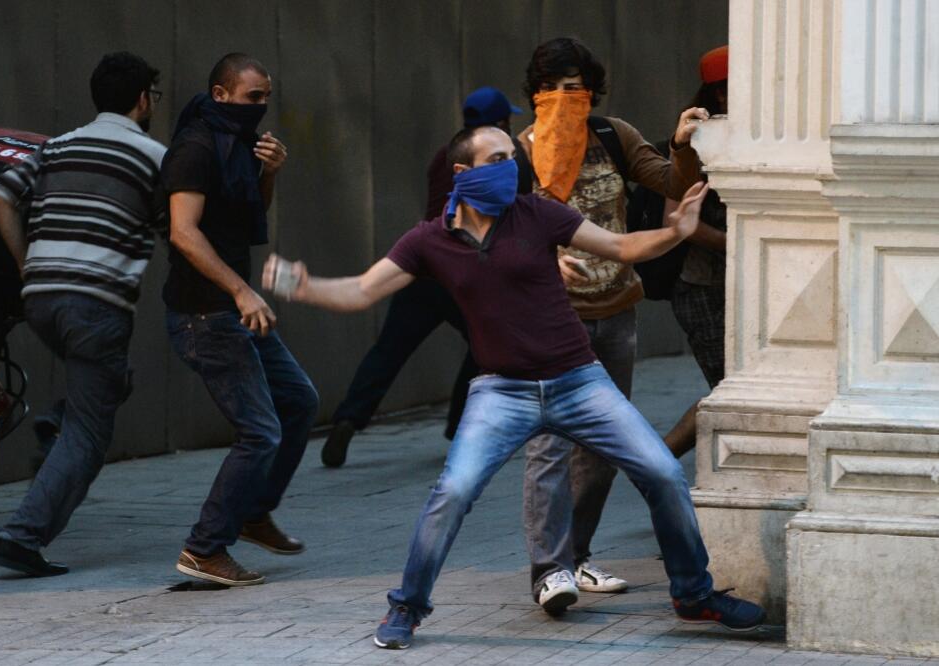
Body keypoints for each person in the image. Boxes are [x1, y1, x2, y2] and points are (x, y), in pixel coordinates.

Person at [262, 125, 765, 649]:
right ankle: (407, 607)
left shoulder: (537, 214)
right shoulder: (429, 240)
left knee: (663, 473)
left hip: (578, 380)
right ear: (463, 173)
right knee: (452, 492)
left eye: (512, 156)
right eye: (497, 158)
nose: (512, 166)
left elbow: (618, 245)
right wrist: (304, 285)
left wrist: (675, 232)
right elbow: (363, 290)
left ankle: (693, 595)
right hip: (502, 392)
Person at [515, 37, 710, 604]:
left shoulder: (613, 135)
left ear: (592, 91)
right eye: (551, 89)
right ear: (534, 95)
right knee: (549, 444)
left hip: (616, 309)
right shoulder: (518, 149)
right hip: (552, 320)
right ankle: (546, 570)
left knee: (598, 446)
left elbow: (672, 184)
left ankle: (576, 556)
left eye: (574, 89)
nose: (563, 99)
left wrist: (679, 144)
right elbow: (494, 225)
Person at [0, 52, 166, 576]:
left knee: (111, 382)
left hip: (42, 302)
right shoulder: (155, 157)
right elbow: (176, 228)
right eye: (153, 97)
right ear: (141, 100)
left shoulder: (57, 146)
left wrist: (27, 265)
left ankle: (54, 426)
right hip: (96, 308)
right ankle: (22, 536)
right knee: (91, 432)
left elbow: (1, 195)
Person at [162, 53, 318, 587]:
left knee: (298, 401)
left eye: (267, 97)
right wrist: (241, 289)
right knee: (259, 431)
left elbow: (247, 219)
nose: (262, 107)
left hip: (230, 308)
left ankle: (252, 512)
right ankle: (204, 548)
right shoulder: (197, 146)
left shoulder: (239, 147)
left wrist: (267, 174)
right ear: (221, 93)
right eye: (253, 97)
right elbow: (183, 232)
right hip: (204, 312)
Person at [320, 86, 532, 467]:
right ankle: (458, 426)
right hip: (464, 274)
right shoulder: (504, 162)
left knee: (389, 349)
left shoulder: (445, 157)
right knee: (485, 346)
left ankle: (348, 420)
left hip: (422, 269)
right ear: (500, 122)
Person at [662, 45, 730, 459]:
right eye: (721, 90)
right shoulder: (698, 139)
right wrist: (736, 247)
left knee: (735, 391)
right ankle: (655, 464)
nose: (728, 98)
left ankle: (654, 465)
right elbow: (677, 220)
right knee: (729, 392)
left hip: (742, 286)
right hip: (704, 289)